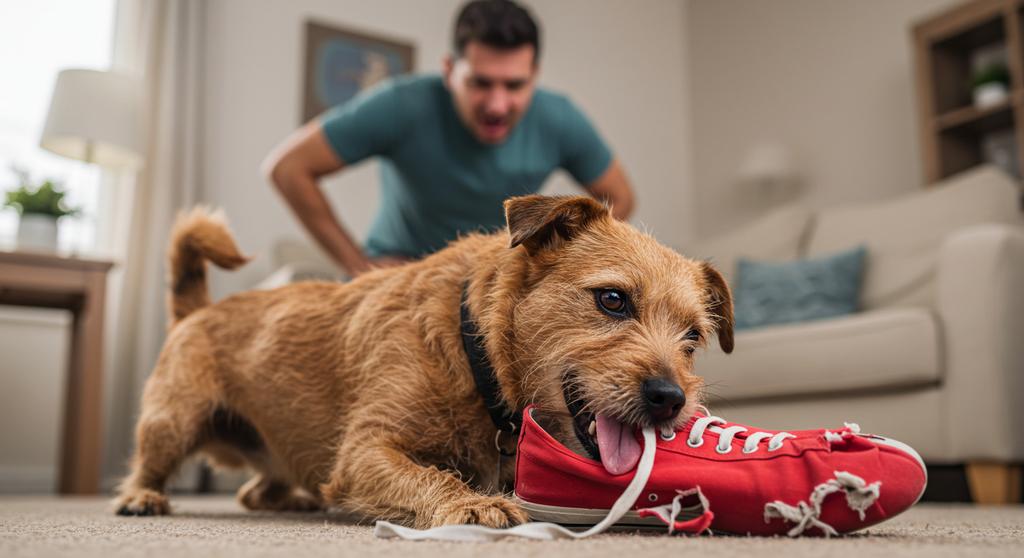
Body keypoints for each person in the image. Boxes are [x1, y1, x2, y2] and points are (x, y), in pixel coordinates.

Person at [262, 0, 635, 277]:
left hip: (489, 277)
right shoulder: (400, 104)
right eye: (481, 82)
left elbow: (620, 197)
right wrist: (356, 263)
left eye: (515, 85)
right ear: (449, 70)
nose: (497, 104)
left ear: (534, 75)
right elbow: (288, 168)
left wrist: (559, 260)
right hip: (400, 275)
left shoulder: (560, 118)